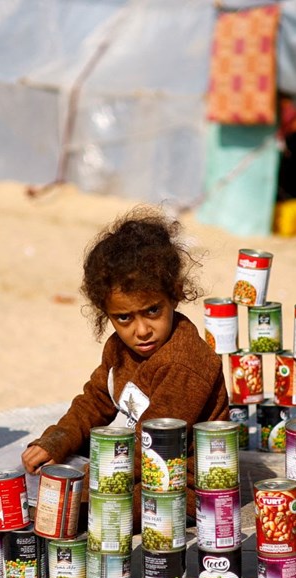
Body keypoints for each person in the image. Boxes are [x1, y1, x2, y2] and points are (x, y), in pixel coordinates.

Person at [21, 207, 230, 511]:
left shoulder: (185, 362)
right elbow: (95, 400)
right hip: (133, 463)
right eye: (124, 318)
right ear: (106, 314)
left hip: (180, 485)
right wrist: (57, 441)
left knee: (82, 508)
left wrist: (88, 481)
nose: (142, 330)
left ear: (174, 295)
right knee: (33, 473)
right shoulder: (119, 348)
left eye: (152, 311)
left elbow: (155, 445)